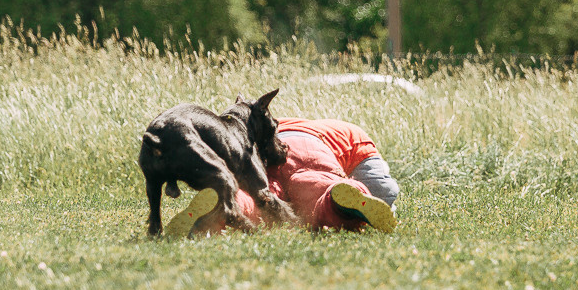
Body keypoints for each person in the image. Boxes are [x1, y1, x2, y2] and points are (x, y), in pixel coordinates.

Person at [162, 117, 400, 238]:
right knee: (320, 187)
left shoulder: (267, 123)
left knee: (262, 197)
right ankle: (340, 200)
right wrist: (380, 199)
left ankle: (222, 204)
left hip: (263, 152)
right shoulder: (349, 131)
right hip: (311, 147)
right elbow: (381, 183)